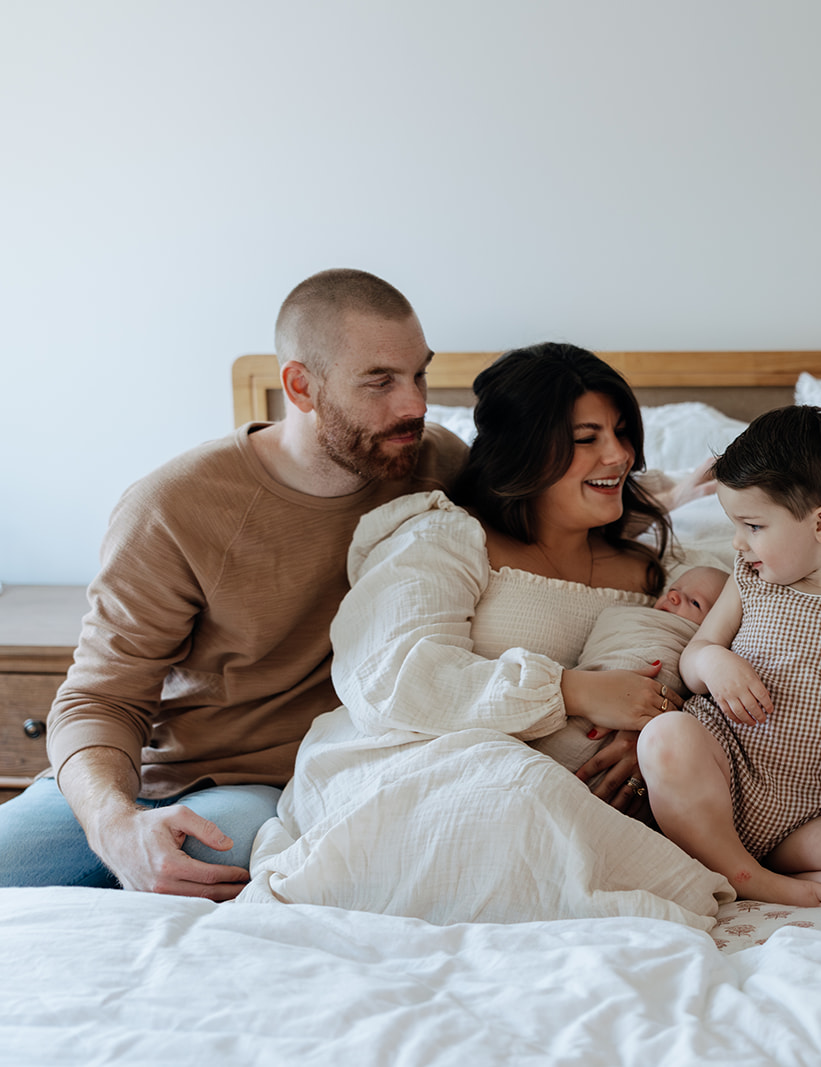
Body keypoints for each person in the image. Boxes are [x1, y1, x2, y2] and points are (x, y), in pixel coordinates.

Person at [0, 269, 468, 900]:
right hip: (149, 778)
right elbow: (100, 699)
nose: (415, 404)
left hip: (274, 792)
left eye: (419, 374)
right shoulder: (174, 505)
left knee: (225, 839)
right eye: (380, 381)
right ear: (301, 386)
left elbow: (582, 510)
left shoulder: (438, 467)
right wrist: (114, 825)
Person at [240, 344, 733, 928]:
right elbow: (392, 678)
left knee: (539, 800)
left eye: (623, 433)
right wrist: (570, 691)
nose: (619, 455)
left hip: (582, 793)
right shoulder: (446, 538)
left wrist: (658, 732)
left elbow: (744, 660)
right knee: (515, 791)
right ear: (523, 450)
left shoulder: (664, 568)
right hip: (411, 762)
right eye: (586, 438)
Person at [637, 406, 821, 907]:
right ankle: (746, 875)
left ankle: (748, 871)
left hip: (810, 810)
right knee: (666, 737)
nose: (737, 541)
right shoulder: (748, 580)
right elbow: (695, 655)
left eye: (752, 525)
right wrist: (715, 662)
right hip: (724, 769)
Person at [537, 565, 729, 776]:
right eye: (673, 589)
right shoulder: (629, 617)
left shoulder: (705, 652)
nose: (673, 596)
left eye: (695, 602)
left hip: (652, 752)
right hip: (552, 715)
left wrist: (653, 730)